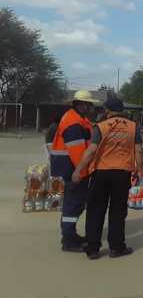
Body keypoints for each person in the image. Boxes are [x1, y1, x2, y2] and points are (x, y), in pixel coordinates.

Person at [72, 98, 143, 260]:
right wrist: (139, 170)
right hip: (122, 173)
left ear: (108, 110)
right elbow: (139, 150)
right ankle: (117, 248)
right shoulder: (133, 127)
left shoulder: (101, 126)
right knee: (118, 211)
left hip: (101, 173)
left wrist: (78, 170)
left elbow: (91, 151)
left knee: (96, 210)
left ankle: (92, 249)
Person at [50, 90, 99, 252]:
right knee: (73, 204)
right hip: (73, 170)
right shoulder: (73, 124)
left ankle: (70, 234)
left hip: (69, 168)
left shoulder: (77, 119)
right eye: (89, 104)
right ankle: (69, 240)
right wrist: (83, 172)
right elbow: (78, 153)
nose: (91, 107)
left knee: (74, 203)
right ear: (81, 104)